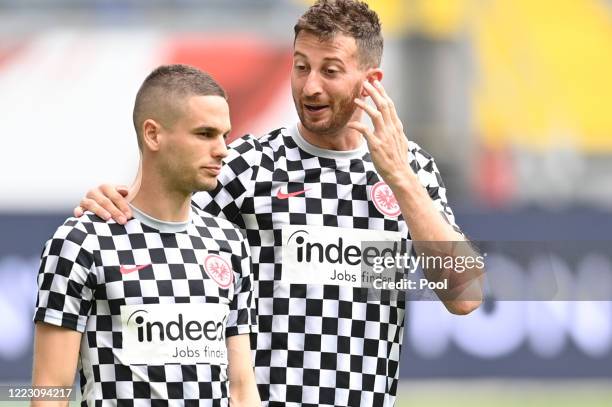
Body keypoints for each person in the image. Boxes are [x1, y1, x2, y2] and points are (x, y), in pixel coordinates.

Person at [76, 1, 484, 406]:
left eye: (330, 71)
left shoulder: (413, 171)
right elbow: (149, 223)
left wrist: (399, 178)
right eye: (301, 66)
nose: (310, 87)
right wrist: (114, 201)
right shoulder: (251, 166)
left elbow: (465, 296)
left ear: (371, 81)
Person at [32, 65, 260, 406]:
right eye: (205, 134)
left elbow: (241, 388)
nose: (222, 149)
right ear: (153, 134)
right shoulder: (82, 242)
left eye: (224, 135)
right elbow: (50, 390)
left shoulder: (229, 243)